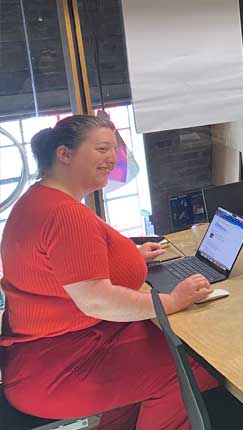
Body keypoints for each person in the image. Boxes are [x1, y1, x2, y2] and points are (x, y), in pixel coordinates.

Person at [0, 115, 218, 430]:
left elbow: (66, 266)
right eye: (102, 148)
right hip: (62, 367)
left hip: (48, 356)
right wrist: (171, 300)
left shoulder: (38, 200)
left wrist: (131, 257)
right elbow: (96, 301)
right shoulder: (65, 213)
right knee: (192, 363)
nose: (113, 159)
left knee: (167, 348)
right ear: (65, 154)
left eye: (114, 149)